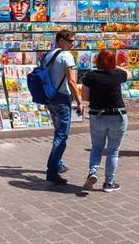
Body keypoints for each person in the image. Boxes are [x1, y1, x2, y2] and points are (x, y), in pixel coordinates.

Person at [81, 49, 131, 192]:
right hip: (117, 115)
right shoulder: (117, 74)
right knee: (113, 151)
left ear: (97, 61)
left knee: (97, 147)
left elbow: (85, 97)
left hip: (97, 115)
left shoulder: (90, 76)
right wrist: (115, 66)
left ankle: (93, 171)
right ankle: (109, 183)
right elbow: (129, 73)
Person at [44, 30, 83, 184]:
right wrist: (79, 101)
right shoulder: (66, 56)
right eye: (70, 41)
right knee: (62, 135)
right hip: (61, 98)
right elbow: (71, 82)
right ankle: (52, 171)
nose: (72, 44)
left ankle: (58, 164)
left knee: (58, 132)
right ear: (61, 41)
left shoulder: (49, 54)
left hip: (51, 97)